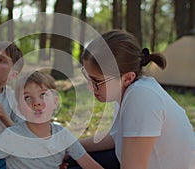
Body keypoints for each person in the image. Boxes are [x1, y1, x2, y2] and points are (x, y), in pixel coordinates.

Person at [75, 29, 195, 169]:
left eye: (96, 81)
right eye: (88, 78)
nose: (90, 87)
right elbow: (116, 136)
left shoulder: (142, 98)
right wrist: (72, 147)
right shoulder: (128, 90)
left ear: (127, 77)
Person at [0, 71, 104, 169]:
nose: (36, 102)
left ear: (55, 102)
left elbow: (89, 164)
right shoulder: (12, 136)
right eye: (27, 97)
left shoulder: (63, 136)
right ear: (19, 108)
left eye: (43, 95)